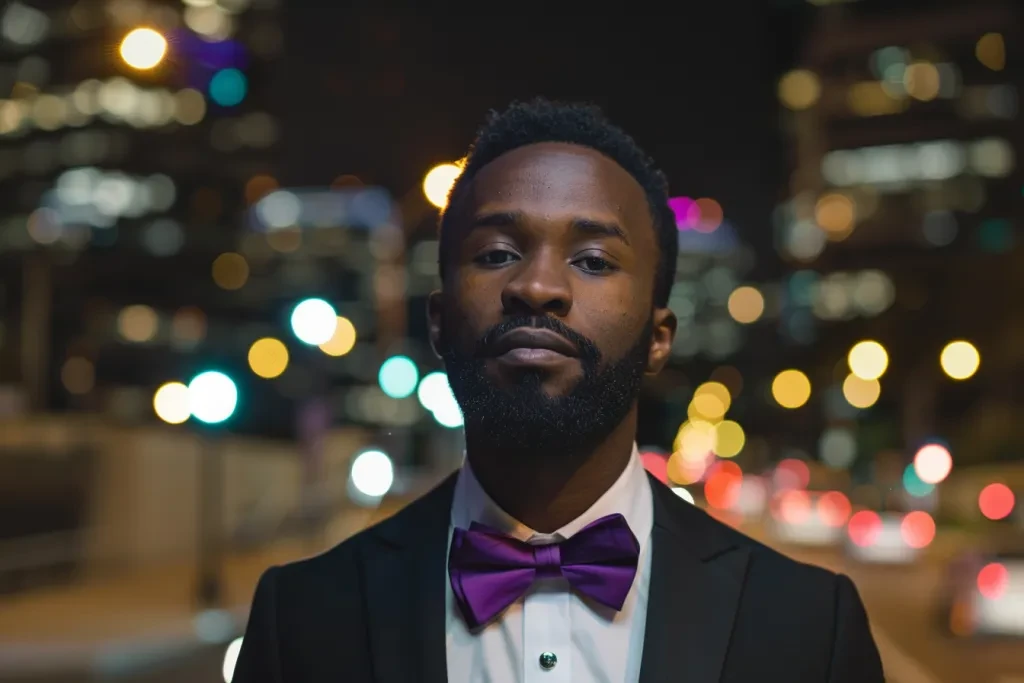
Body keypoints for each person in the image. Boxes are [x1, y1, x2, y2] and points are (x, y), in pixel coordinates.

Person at [233, 98, 885, 683]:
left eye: (593, 260)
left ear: (660, 336)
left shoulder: (810, 628)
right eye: (495, 253)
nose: (537, 285)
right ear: (438, 320)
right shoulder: (302, 619)